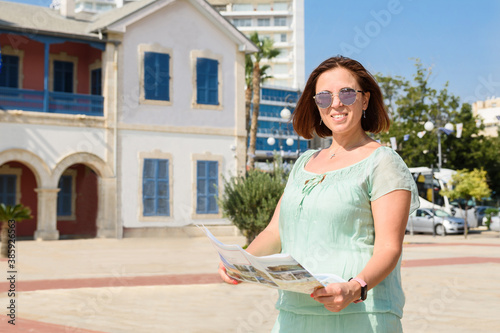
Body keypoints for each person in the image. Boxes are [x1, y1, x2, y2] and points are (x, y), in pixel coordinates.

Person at [218, 56, 419, 332]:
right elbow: (274, 233)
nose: (335, 103)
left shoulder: (383, 161)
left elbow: (389, 247)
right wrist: (241, 262)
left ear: (365, 100)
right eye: (324, 97)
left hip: (361, 313)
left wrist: (355, 288)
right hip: (295, 313)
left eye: (346, 93)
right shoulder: (304, 163)